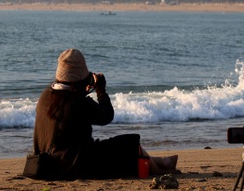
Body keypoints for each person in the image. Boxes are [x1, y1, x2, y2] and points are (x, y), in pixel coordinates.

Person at [31, 48, 178, 180]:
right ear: (80, 77)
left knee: (117, 148)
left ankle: (159, 161)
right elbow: (106, 116)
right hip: (74, 167)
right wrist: (100, 90)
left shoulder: (45, 96)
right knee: (130, 143)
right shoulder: (77, 101)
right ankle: (159, 167)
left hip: (48, 163)